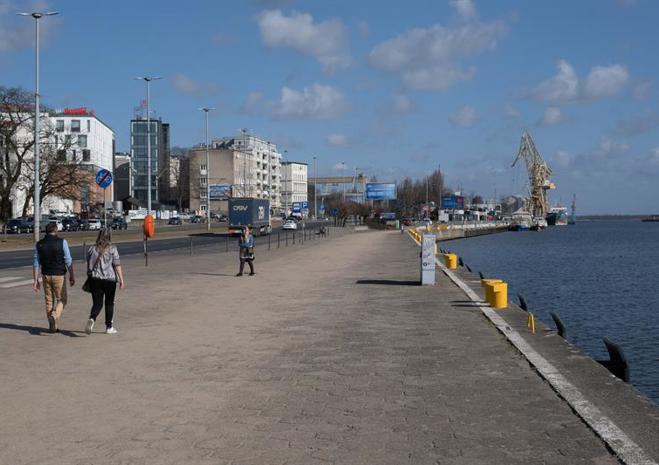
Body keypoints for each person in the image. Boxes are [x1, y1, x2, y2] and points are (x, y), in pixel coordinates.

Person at [33, 222, 76, 333]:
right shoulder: (62, 242)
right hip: (59, 275)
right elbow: (68, 260)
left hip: (46, 275)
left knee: (49, 301)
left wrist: (36, 280)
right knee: (62, 299)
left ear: (46, 231)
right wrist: (72, 276)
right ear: (56, 230)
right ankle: (54, 315)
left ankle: (52, 326)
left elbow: (36, 263)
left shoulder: (39, 244)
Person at [84, 228, 125, 335]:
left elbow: (88, 265)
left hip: (95, 279)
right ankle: (109, 327)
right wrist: (121, 279)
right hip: (110, 280)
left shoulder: (92, 249)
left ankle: (92, 318)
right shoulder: (112, 249)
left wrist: (90, 274)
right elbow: (117, 265)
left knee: (97, 303)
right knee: (109, 303)